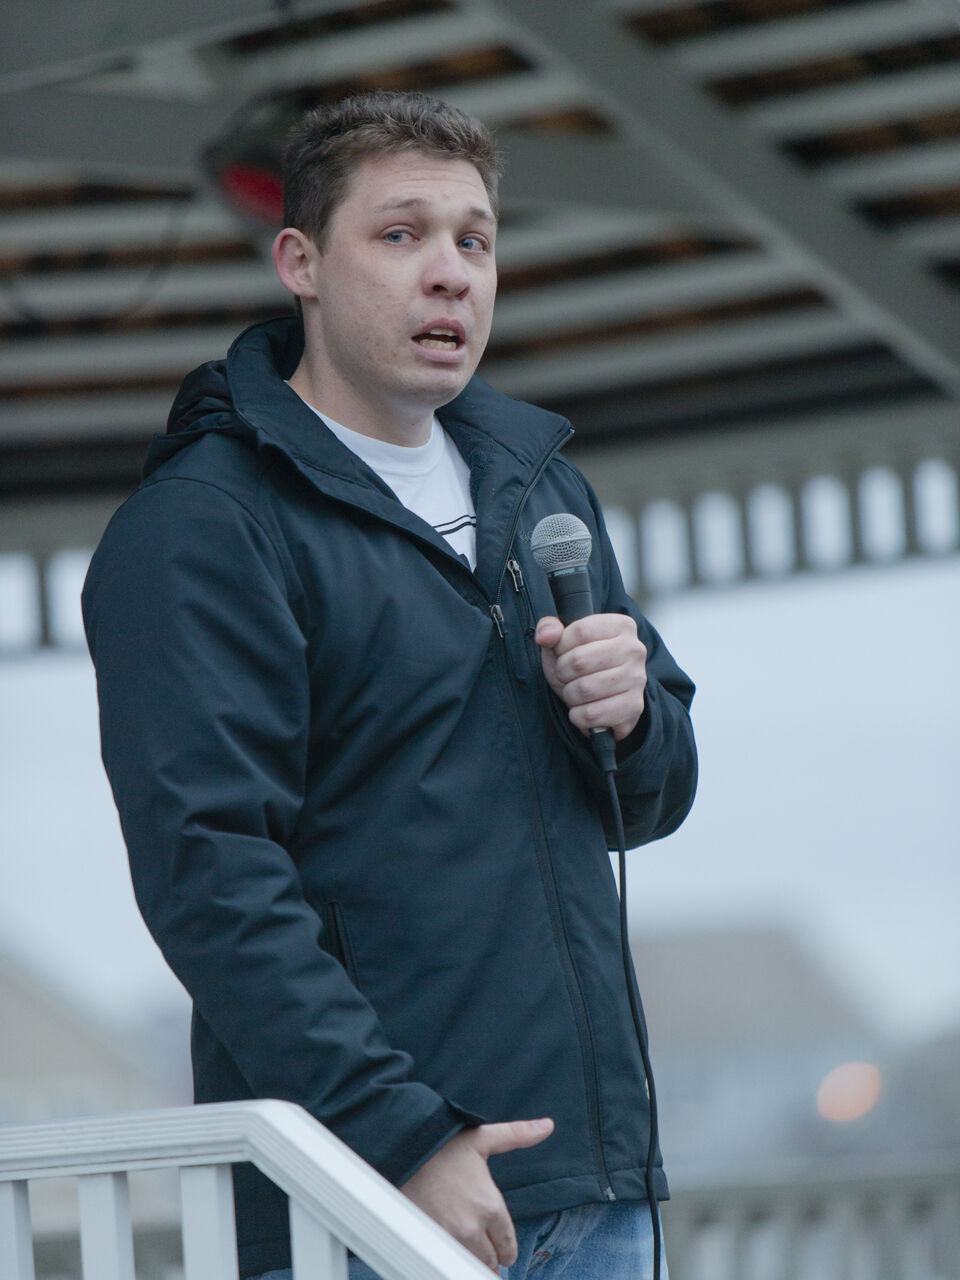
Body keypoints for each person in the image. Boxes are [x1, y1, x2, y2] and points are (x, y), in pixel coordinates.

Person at [82, 91, 697, 1280]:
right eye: (402, 234)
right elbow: (211, 868)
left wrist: (633, 715)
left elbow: (647, 800)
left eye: (474, 239)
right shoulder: (205, 526)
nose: (452, 274)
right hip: (360, 1199)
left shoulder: (542, 494)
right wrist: (402, 1134)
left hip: (598, 1185)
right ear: (299, 262)